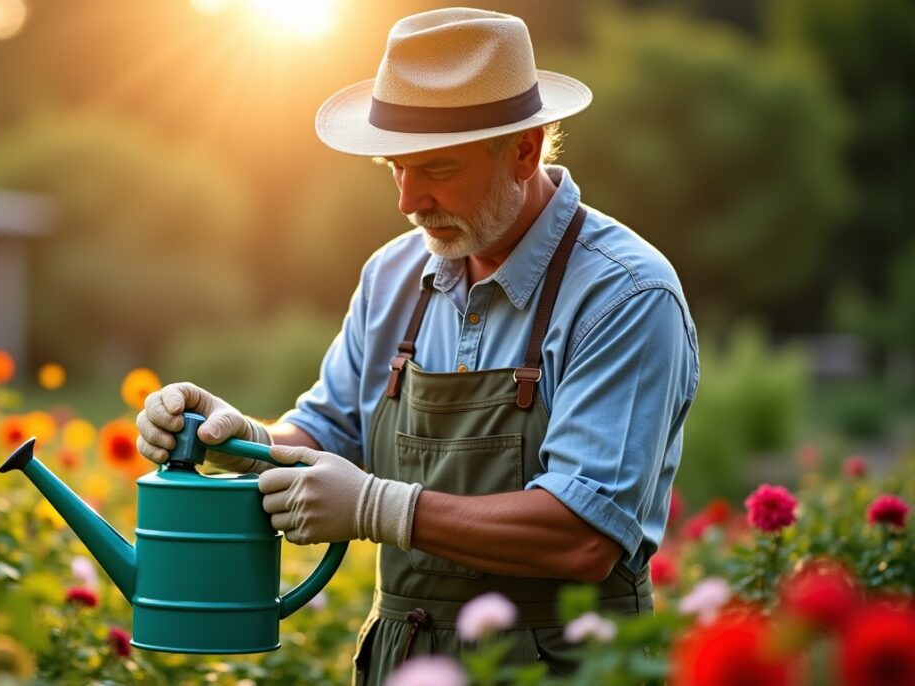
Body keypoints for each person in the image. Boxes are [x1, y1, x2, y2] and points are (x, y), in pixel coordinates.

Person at [136, 7, 698, 683]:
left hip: (565, 667)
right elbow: (327, 433)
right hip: (404, 664)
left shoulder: (624, 295)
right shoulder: (394, 275)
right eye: (393, 167)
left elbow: (584, 535)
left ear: (524, 148)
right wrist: (238, 436)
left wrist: (380, 507)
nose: (407, 200)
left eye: (436, 168)